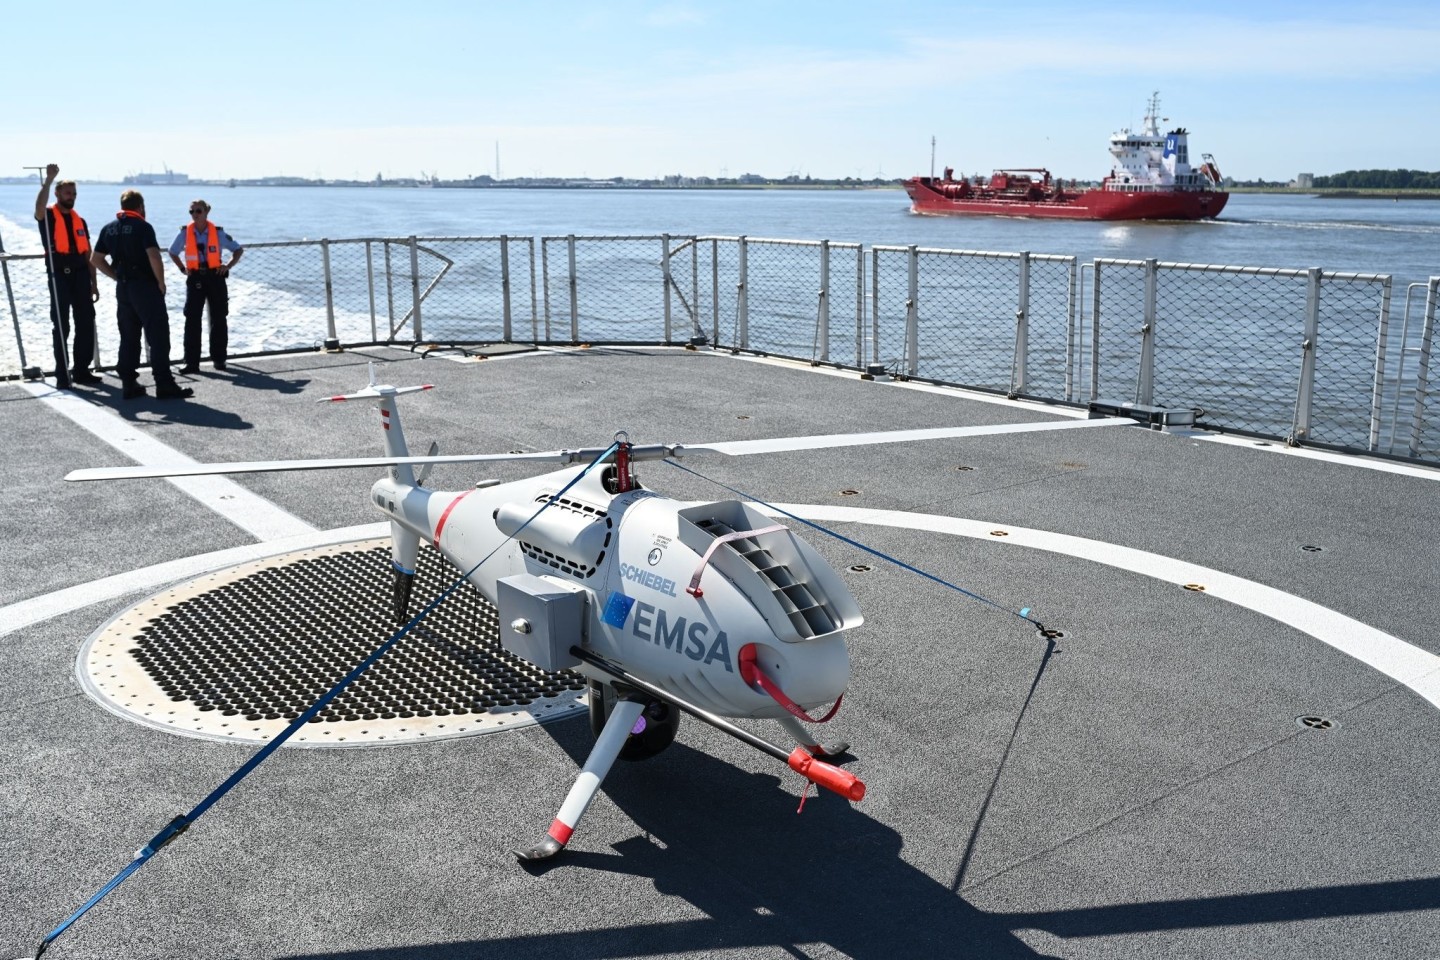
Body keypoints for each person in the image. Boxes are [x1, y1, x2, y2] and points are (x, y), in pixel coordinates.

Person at [90, 191, 193, 400]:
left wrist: (116, 277)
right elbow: (154, 256)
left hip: (124, 289)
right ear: (140, 207)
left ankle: (129, 383)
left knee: (128, 336)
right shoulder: (143, 227)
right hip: (144, 287)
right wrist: (161, 282)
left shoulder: (109, 228)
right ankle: (164, 384)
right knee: (158, 336)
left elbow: (96, 259)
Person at [33, 163, 100, 388]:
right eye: (68, 193)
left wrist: (94, 283)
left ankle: (81, 370)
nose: (72, 197)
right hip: (59, 274)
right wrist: (49, 179)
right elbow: (39, 207)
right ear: (58, 194)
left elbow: (87, 253)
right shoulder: (48, 215)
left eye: (74, 193)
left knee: (86, 323)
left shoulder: (80, 220)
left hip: (81, 275)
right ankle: (62, 373)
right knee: (62, 325)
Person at [168, 200, 243, 373]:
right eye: (191, 211)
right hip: (195, 279)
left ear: (206, 211)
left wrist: (228, 266)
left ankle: (219, 360)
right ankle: (192, 363)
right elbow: (172, 252)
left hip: (215, 277)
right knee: (192, 320)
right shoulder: (185, 233)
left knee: (219, 318)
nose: (195, 214)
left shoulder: (218, 233)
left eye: (198, 211)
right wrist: (182, 269)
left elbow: (237, 250)